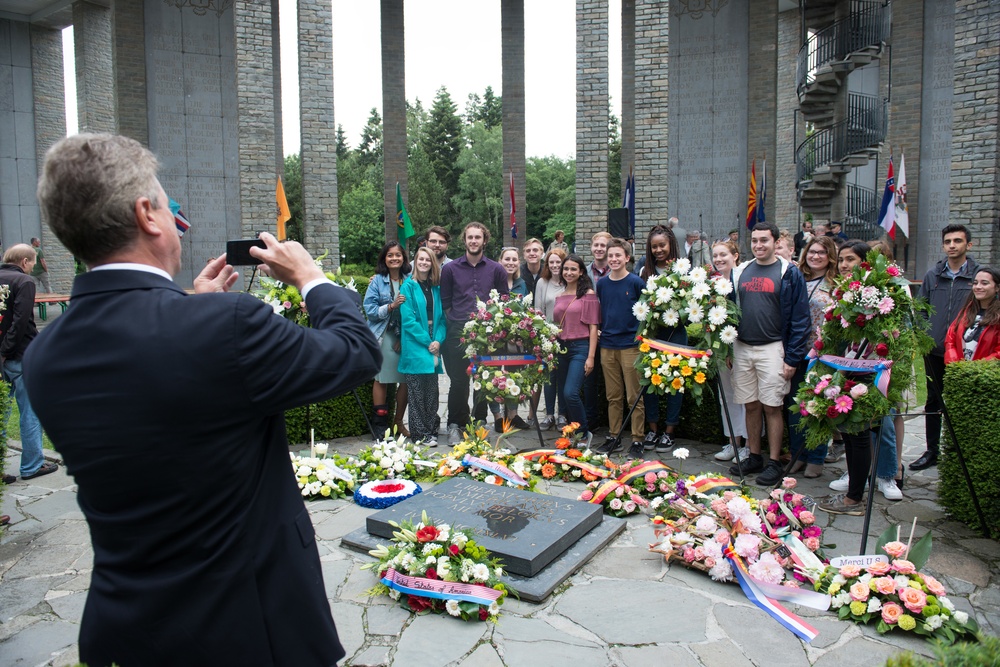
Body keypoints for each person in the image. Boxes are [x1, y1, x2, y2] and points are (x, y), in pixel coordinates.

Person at [25, 133, 380, 667]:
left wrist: (187, 306)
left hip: (126, 629)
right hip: (248, 629)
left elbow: (149, 384)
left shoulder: (45, 353)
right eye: (170, 207)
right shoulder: (226, 325)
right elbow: (355, 352)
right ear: (147, 214)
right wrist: (311, 277)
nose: (174, 219)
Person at [728, 222, 810, 486]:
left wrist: (792, 358)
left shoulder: (789, 273)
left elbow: (800, 319)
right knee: (750, 405)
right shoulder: (740, 271)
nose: (759, 245)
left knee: (772, 406)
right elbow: (730, 312)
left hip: (774, 347)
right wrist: (727, 346)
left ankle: (774, 461)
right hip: (742, 346)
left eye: (764, 240)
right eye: (754, 241)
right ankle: (754, 455)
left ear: (776, 242)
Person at [911, 224, 980, 471]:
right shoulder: (933, 275)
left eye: (957, 241)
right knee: (933, 401)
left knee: (962, 401)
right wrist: (925, 335)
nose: (952, 245)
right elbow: (920, 308)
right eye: (948, 241)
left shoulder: (977, 275)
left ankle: (959, 451)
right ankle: (931, 451)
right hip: (935, 349)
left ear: (968, 245)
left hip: (965, 351)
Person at [440, 222, 509, 444]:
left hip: (488, 333)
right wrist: (460, 321)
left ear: (484, 240)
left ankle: (479, 421)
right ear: (464, 240)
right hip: (458, 331)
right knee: (459, 382)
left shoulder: (496, 269)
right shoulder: (450, 269)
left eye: (477, 237)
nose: (473, 241)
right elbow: (446, 302)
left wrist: (490, 326)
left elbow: (503, 301)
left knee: (483, 379)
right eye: (470, 237)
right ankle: (455, 424)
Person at [0, 244, 57, 483]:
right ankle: (32, 465)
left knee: (2, 412)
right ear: (24, 261)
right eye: (32, 263)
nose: (33, 267)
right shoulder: (24, 281)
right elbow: (22, 320)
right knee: (30, 410)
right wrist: (7, 350)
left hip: (2, 356)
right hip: (19, 354)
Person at [785, 235, 838, 478]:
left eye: (822, 253)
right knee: (794, 406)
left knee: (816, 407)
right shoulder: (797, 277)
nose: (816, 256)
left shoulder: (836, 284)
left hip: (822, 354)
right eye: (812, 252)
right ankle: (798, 454)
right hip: (796, 350)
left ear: (830, 257)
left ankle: (816, 457)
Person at [595, 238, 647, 458]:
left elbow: (646, 314)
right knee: (613, 396)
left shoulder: (636, 283)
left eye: (618, 255)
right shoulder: (602, 284)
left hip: (630, 346)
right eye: (610, 256)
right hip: (607, 345)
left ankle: (637, 439)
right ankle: (614, 436)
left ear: (627, 258)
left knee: (634, 396)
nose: (614, 259)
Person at [636, 225, 686, 452]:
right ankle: (653, 429)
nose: (658, 250)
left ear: (671, 245)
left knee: (675, 382)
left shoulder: (683, 270)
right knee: (650, 382)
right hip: (652, 335)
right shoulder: (644, 270)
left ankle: (669, 432)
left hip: (676, 334)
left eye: (662, 245)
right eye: (654, 246)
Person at [398, 247, 446, 446]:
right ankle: (420, 435)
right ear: (415, 261)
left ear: (432, 263)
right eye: (421, 259)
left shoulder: (436, 287)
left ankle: (431, 429)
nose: (424, 262)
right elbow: (408, 321)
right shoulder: (407, 286)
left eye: (428, 259)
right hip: (416, 342)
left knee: (432, 391)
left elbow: (442, 319)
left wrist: (438, 341)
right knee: (416, 393)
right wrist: (428, 341)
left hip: (434, 341)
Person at [364, 241, 411, 437]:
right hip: (383, 335)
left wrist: (405, 338)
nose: (394, 258)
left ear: (403, 258)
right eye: (390, 255)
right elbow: (370, 311)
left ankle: (398, 422)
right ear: (384, 258)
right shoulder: (377, 281)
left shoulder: (410, 280)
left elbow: (414, 311)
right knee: (382, 378)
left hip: (404, 336)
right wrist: (391, 306)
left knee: (406, 379)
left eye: (398, 255)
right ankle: (380, 424)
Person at [553, 255, 600, 446]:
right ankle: (572, 432)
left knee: (570, 392)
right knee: (563, 395)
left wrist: (591, 357)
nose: (569, 272)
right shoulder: (561, 294)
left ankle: (583, 432)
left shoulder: (587, 294)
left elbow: (593, 327)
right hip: (561, 348)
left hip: (580, 348)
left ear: (581, 271)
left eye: (573, 269)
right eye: (566, 269)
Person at [710, 240, 748, 464]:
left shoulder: (743, 279)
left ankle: (749, 444)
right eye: (715, 256)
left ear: (735, 255)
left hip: (742, 345)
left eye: (723, 254)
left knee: (746, 397)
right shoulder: (714, 283)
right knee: (727, 397)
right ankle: (733, 441)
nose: (719, 259)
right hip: (721, 347)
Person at [532, 248, 567, 430]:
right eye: (551, 262)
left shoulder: (569, 282)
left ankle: (562, 414)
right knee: (549, 377)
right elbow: (538, 311)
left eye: (558, 262)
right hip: (548, 337)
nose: (555, 266)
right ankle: (549, 414)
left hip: (567, 336)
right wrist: (544, 336)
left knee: (563, 376)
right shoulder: (542, 283)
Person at [945, 266, 1000, 362]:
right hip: (960, 372)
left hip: (987, 373)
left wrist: (977, 368)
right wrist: (954, 363)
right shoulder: (966, 311)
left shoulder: (997, 317)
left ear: (997, 287)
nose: (978, 287)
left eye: (984, 283)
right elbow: (951, 339)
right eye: (975, 283)